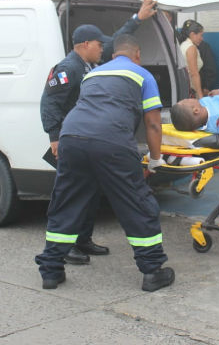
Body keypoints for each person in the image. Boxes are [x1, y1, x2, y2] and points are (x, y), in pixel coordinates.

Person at [35, 34, 174, 291]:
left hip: (72, 138)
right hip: (111, 142)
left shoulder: (93, 74)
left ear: (112, 56)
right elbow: (153, 123)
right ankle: (152, 271)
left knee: (66, 202)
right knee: (137, 204)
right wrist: (155, 160)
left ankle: (51, 271)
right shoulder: (143, 75)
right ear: (137, 55)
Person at [39, 0, 158, 266]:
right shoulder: (68, 68)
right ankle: (66, 248)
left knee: (90, 193)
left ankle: (82, 240)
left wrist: (138, 18)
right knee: (73, 197)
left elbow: (120, 42)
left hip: (90, 140)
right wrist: (54, 136)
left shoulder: (91, 65)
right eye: (98, 44)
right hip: (73, 140)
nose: (103, 47)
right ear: (84, 45)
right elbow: (49, 103)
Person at [179, 19, 205, 98]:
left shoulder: (183, 45)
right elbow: (194, 74)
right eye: (201, 35)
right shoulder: (191, 48)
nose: (202, 38)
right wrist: (200, 96)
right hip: (191, 90)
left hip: (185, 88)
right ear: (193, 34)